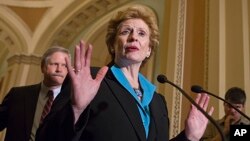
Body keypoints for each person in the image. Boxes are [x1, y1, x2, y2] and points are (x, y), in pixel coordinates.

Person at [35, 5, 214, 141]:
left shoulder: (157, 101)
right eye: (126, 31)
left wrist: (189, 137)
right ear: (113, 44)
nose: (134, 37)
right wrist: (76, 108)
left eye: (142, 33)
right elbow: (44, 137)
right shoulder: (90, 80)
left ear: (149, 50)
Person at [0, 46, 70, 141]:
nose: (59, 69)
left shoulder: (72, 100)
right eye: (55, 64)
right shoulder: (17, 95)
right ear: (42, 67)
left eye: (64, 65)